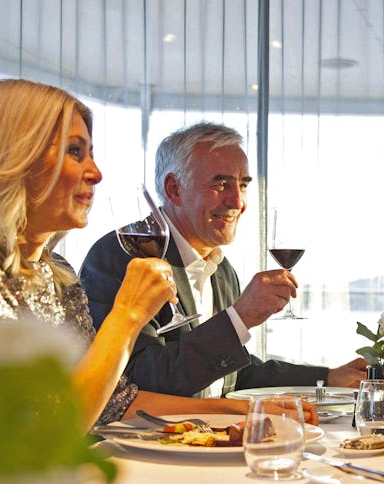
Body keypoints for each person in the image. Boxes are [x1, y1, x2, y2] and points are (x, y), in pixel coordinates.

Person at [0, 79, 315, 429]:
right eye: (75, 152)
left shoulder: (55, 270)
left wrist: (251, 412)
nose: (95, 172)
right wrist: (127, 315)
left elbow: (115, 401)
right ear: (12, 158)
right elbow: (39, 428)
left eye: (90, 153)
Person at [81, 122, 368, 398]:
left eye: (243, 185)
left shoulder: (222, 270)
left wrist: (328, 377)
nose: (237, 202)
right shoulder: (123, 256)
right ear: (174, 189)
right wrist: (239, 317)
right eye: (221, 184)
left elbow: (229, 375)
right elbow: (140, 380)